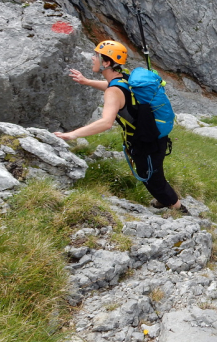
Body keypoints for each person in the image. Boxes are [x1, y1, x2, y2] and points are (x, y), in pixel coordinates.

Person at [54, 40, 188, 213]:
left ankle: (180, 210)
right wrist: (87, 82)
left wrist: (73, 135)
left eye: (96, 56)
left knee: (153, 179)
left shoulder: (113, 92)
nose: (93, 58)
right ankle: (164, 200)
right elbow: (113, 86)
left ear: (107, 62)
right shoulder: (124, 77)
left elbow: (106, 122)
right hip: (151, 136)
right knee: (149, 173)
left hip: (146, 142)